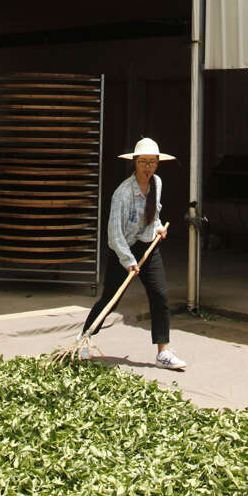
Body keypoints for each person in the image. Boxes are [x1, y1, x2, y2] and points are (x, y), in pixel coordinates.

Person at [81, 136, 187, 370]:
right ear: (135, 163)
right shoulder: (123, 193)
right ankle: (84, 338)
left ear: (157, 164)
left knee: (160, 295)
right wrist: (128, 261)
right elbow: (114, 234)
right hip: (123, 248)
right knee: (111, 299)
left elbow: (154, 214)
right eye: (143, 162)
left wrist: (158, 228)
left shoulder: (157, 183)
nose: (148, 167)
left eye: (152, 162)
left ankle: (163, 352)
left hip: (148, 246)